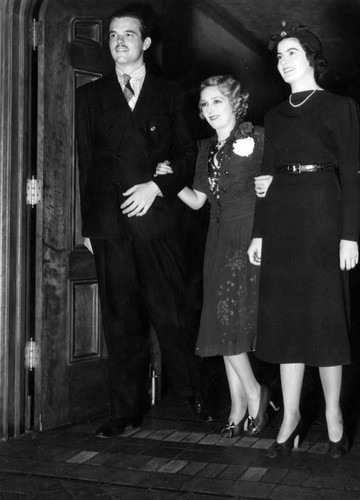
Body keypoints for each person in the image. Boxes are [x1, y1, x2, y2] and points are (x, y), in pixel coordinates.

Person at [75, 5, 211, 438]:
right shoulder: (90, 97)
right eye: (113, 36)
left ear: (145, 43)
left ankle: (198, 395)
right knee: (120, 320)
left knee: (173, 314)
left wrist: (157, 188)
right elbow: (86, 165)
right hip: (111, 227)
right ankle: (124, 410)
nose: (118, 42)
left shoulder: (172, 94)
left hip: (158, 224)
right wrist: (89, 226)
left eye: (128, 35)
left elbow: (189, 156)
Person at [248, 26, 360, 458]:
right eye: (279, 56)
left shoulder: (339, 107)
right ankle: (291, 418)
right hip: (281, 221)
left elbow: (353, 176)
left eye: (291, 52)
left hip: (323, 219)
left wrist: (348, 236)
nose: (283, 61)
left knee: (325, 321)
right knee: (284, 325)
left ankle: (333, 416)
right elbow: (266, 176)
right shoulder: (275, 116)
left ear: (312, 57)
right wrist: (259, 232)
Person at [155, 75, 274, 437]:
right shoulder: (206, 148)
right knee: (223, 322)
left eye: (217, 101)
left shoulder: (258, 138)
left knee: (229, 321)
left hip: (248, 235)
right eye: (204, 104)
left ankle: (255, 392)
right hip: (217, 238)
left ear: (235, 103)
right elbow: (197, 201)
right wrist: (169, 183)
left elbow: (278, 186)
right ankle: (238, 408)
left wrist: (265, 231)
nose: (209, 110)